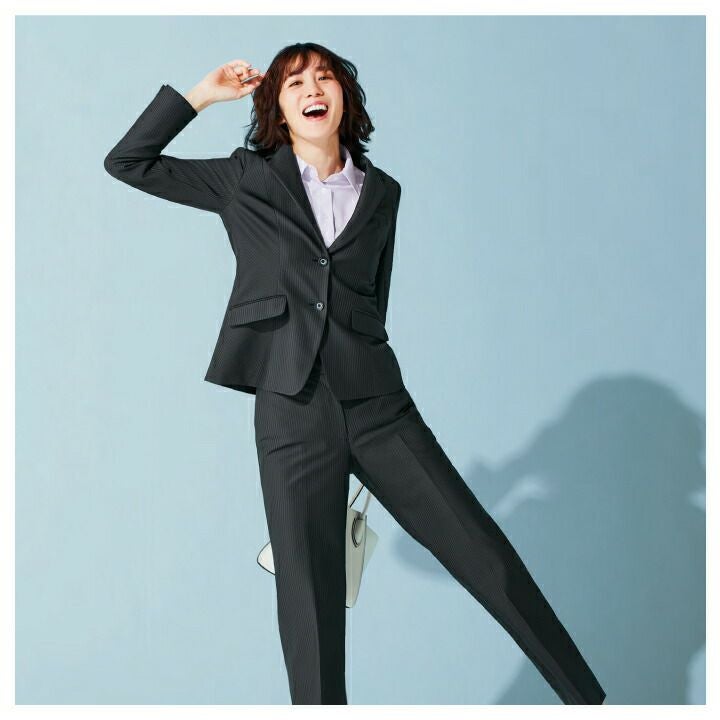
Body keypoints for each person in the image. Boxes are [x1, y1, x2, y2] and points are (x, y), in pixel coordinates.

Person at [103, 42, 606, 706]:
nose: (312, 90)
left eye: (325, 78)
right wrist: (201, 95)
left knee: (484, 557)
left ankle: (593, 702)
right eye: (294, 83)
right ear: (278, 108)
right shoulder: (246, 179)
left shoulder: (383, 192)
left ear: (344, 97)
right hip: (291, 407)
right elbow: (128, 162)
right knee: (309, 599)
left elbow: (372, 297)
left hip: (378, 406)